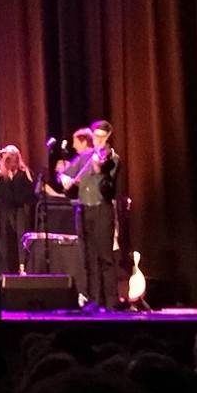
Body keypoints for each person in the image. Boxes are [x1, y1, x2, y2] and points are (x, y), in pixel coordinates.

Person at [60, 122, 118, 311]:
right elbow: (65, 176)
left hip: (101, 209)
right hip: (83, 210)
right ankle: (94, 300)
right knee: (89, 258)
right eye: (96, 137)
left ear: (107, 138)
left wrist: (99, 170)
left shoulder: (113, 159)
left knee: (105, 258)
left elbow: (109, 190)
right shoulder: (84, 157)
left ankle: (111, 302)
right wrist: (66, 179)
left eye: (102, 138)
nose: (99, 141)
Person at [0, 144, 35, 274]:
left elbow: (34, 187)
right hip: (2, 209)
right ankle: (3, 268)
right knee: (2, 239)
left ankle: (23, 267)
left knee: (22, 238)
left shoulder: (23, 171)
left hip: (20, 208)